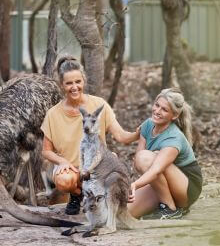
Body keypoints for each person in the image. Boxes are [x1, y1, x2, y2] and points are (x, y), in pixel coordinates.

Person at [41, 56, 139, 215]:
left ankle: (104, 200)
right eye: (69, 83)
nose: (74, 87)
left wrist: (137, 134)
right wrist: (62, 161)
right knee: (64, 181)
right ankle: (76, 195)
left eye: (77, 82)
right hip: (71, 169)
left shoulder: (98, 105)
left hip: (96, 166)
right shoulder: (53, 114)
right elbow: (46, 151)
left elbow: (121, 136)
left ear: (83, 81)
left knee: (112, 163)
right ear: (62, 85)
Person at [128, 88, 203, 219]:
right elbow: (137, 165)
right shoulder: (147, 125)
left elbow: (154, 168)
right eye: (157, 105)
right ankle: (165, 204)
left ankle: (170, 208)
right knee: (125, 212)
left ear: (174, 116)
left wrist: (135, 184)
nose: (157, 111)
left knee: (144, 158)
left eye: (164, 109)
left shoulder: (174, 137)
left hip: (187, 186)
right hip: (163, 183)